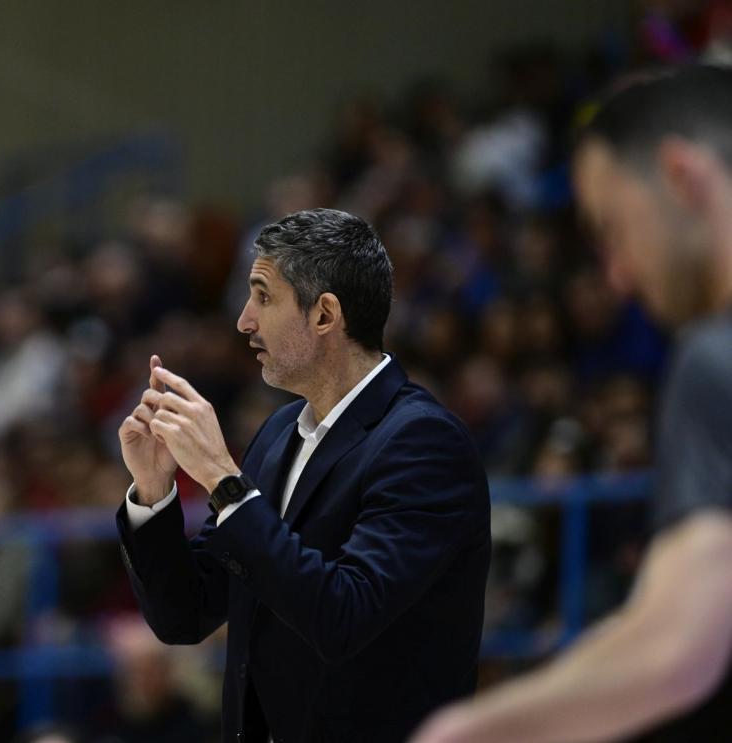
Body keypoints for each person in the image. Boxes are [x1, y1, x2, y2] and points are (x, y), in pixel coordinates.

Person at [411, 64, 732, 743]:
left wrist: (464, 731)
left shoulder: (713, 356)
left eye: (612, 229)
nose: (617, 274)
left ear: (680, 176)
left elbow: (674, 647)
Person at [115, 208, 491, 743]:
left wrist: (223, 479)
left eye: (263, 297)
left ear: (324, 315)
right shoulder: (277, 434)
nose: (244, 320)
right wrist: (153, 491)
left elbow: (343, 616)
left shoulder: (424, 443)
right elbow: (187, 614)